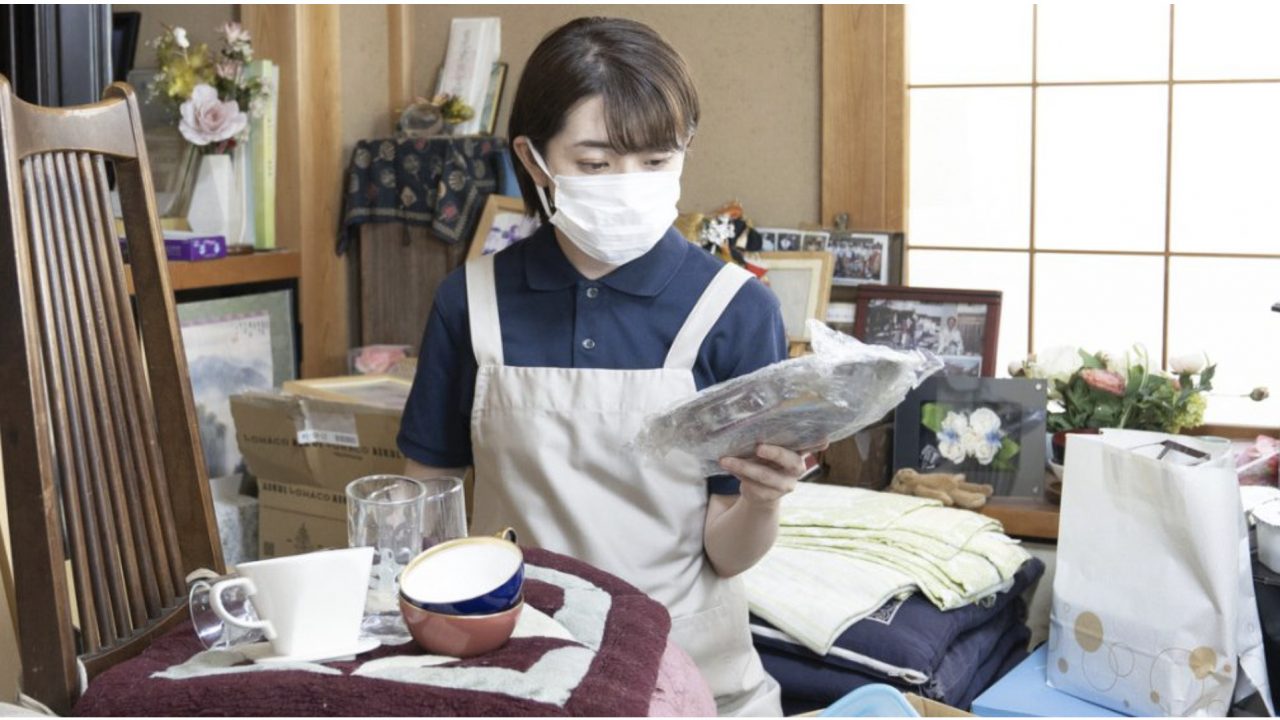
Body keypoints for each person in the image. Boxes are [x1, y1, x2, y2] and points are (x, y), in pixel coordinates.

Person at [397, 17, 818, 716]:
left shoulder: (735, 310)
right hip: (520, 671)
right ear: (534, 160)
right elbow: (425, 509)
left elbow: (727, 553)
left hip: (688, 678)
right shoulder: (471, 301)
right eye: (595, 165)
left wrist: (762, 500)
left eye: (655, 161)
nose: (628, 185)